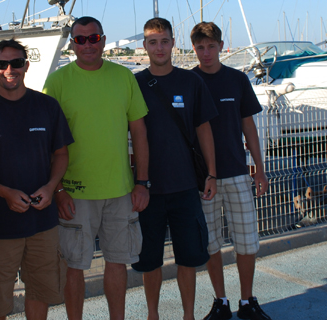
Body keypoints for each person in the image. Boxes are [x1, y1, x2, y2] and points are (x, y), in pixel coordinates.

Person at [43, 16, 150, 320]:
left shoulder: (124, 77)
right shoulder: (58, 82)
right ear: (72, 44)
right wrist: (59, 189)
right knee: (74, 267)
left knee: (118, 263)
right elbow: (48, 143)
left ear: (103, 40)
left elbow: (139, 132)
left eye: (93, 38)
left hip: (121, 190)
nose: (87, 44)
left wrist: (142, 182)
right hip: (75, 193)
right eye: (80, 39)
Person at [0, 39, 74, 320]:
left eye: (16, 63)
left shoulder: (47, 106)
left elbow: (61, 154)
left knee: (40, 292)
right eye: (1, 64)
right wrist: (5, 193)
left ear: (26, 65)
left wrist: (51, 187)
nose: (9, 69)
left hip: (42, 223)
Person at [131, 17, 218, 320]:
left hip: (185, 188)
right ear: (145, 46)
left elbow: (204, 128)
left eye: (164, 41)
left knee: (188, 258)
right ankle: (152, 315)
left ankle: (188, 315)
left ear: (172, 43)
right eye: (152, 42)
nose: (159, 47)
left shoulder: (191, 82)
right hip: (148, 190)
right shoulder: (135, 83)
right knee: (149, 260)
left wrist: (211, 173)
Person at [190, 22, 271, 320]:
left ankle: (247, 301)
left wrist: (260, 169)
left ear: (221, 46)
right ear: (194, 48)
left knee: (247, 242)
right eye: (200, 47)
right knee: (211, 244)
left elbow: (248, 125)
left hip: (237, 172)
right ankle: (220, 301)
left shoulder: (237, 80)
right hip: (203, 180)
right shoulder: (189, 81)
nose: (206, 52)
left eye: (211, 46)